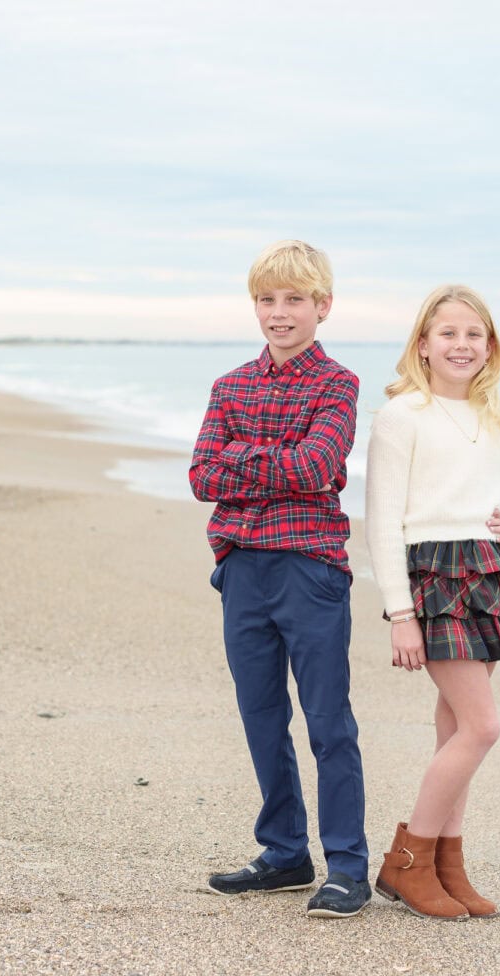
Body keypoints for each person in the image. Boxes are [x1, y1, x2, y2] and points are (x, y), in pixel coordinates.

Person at [364, 284, 500, 920]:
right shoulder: (402, 415)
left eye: (474, 334)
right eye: (447, 333)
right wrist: (400, 614)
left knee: (455, 726)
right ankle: (406, 862)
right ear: (422, 345)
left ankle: (448, 864)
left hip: (482, 570)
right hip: (430, 576)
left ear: (490, 347)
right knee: (482, 726)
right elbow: (381, 521)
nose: (461, 344)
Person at [189, 240, 370, 919]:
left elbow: (317, 466)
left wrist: (243, 456)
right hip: (240, 568)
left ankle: (347, 867)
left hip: (311, 569)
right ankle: (285, 852)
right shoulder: (229, 386)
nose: (280, 312)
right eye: (268, 299)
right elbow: (202, 475)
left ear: (322, 306)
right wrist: (268, 460)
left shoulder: (338, 384)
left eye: (295, 299)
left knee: (328, 721)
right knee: (262, 716)